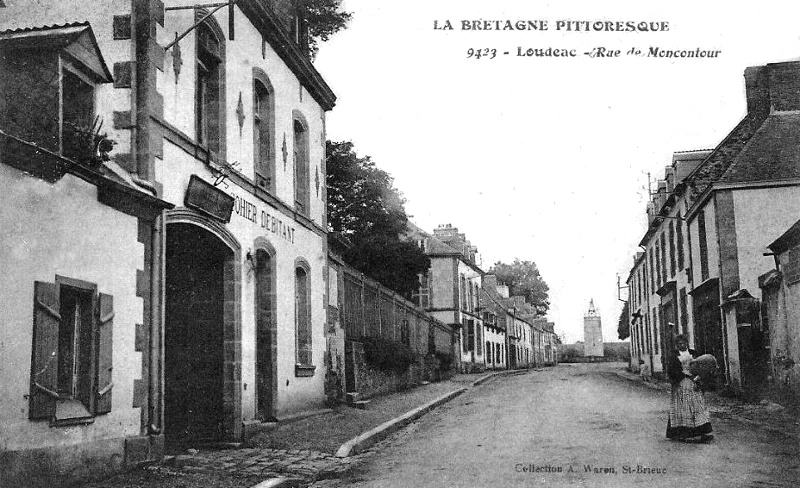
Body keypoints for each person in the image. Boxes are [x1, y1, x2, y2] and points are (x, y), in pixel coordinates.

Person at [666, 334, 713, 442]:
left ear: (687, 343)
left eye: (683, 343)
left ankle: (703, 433)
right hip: (681, 383)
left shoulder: (693, 353)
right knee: (683, 409)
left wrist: (698, 378)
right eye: (679, 344)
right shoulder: (674, 356)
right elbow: (672, 371)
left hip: (695, 381)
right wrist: (681, 377)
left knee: (699, 406)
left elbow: (701, 366)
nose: (681, 345)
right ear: (676, 345)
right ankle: (682, 433)